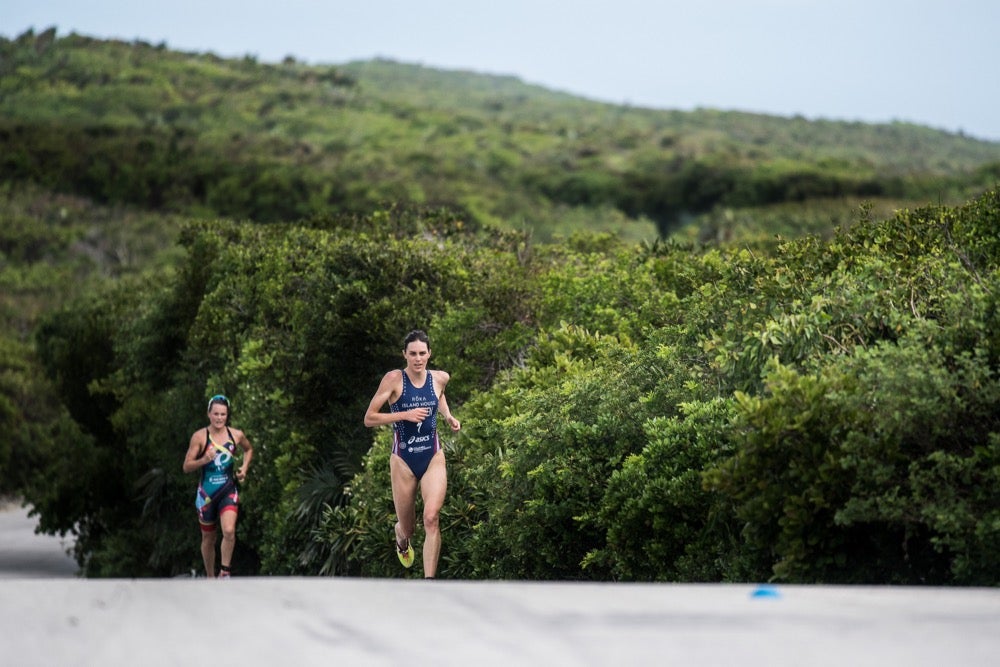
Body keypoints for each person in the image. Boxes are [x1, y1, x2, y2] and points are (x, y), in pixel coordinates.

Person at [364, 330, 461, 579]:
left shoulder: (440, 378)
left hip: (432, 456)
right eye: (412, 354)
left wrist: (448, 416)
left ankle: (429, 582)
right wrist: (404, 415)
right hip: (403, 460)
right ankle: (400, 534)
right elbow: (369, 418)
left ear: (429, 354)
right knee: (409, 529)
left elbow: (439, 397)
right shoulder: (394, 380)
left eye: (422, 353)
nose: (418, 358)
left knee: (431, 518)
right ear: (404, 355)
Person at [183, 394, 253, 579]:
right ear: (209, 414)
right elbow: (186, 466)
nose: (219, 418)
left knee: (229, 530)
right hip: (206, 494)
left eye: (223, 414)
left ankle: (225, 571)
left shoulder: (236, 435)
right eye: (216, 414)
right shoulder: (199, 437)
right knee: (209, 539)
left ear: (227, 415)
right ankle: (210, 576)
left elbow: (249, 449)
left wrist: (244, 468)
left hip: (227, 489)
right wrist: (204, 459)